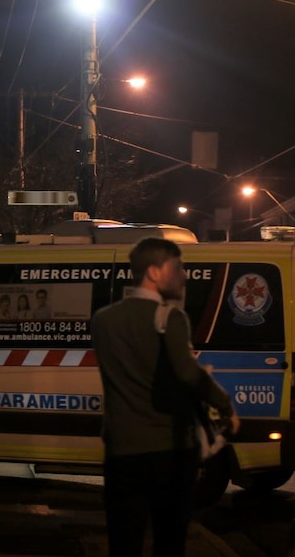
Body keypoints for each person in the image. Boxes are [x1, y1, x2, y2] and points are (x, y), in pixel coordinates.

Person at [90, 237, 240, 557]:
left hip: (121, 451)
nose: (183, 275)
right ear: (154, 272)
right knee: (169, 539)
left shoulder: (103, 321)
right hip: (169, 450)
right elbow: (187, 374)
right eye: (178, 268)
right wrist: (224, 405)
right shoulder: (171, 319)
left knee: (124, 540)